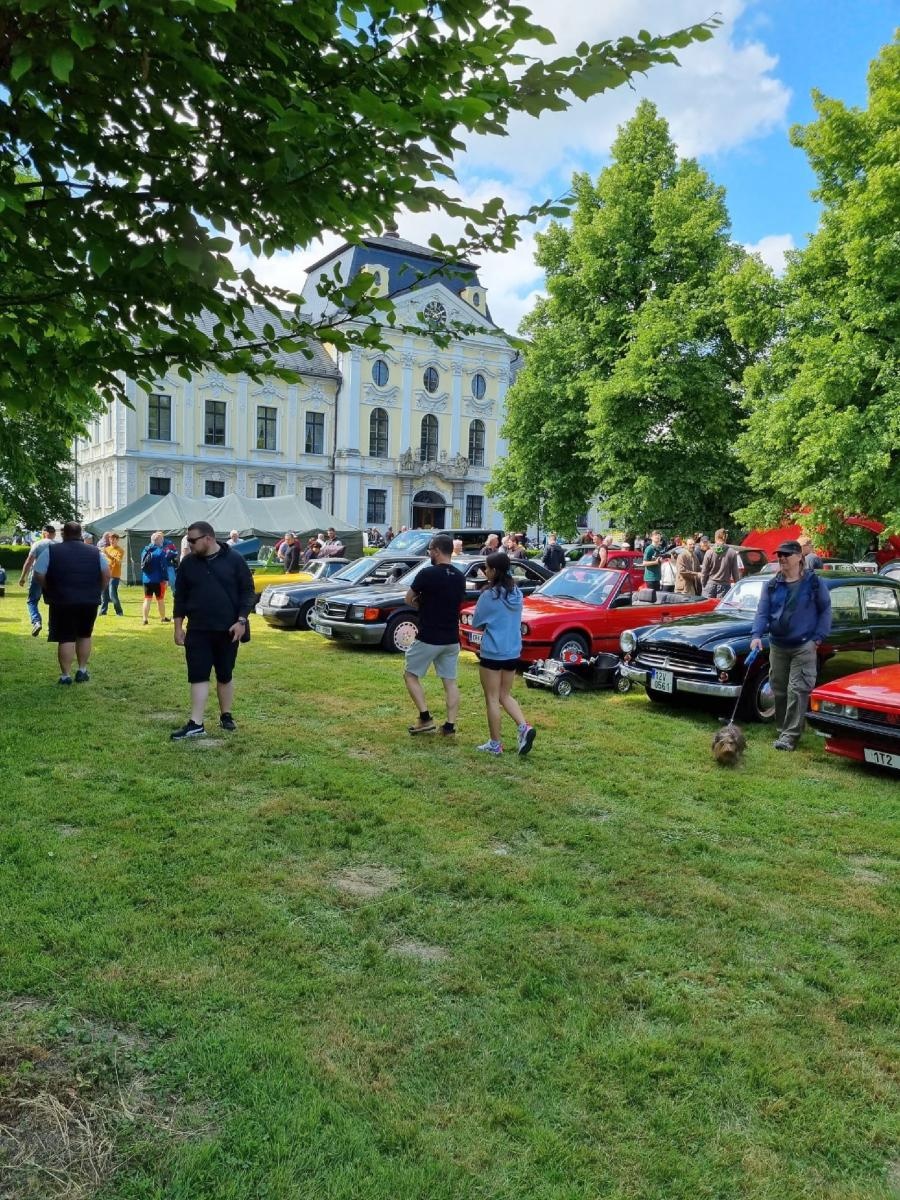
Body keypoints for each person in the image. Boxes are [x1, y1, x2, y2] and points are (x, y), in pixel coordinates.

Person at [170, 520, 256, 739]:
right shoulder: (188, 563)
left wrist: (241, 620)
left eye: (192, 540)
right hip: (198, 629)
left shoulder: (235, 560)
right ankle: (196, 723)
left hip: (228, 630)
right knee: (197, 675)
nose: (188, 544)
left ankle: (226, 715)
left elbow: (248, 592)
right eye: (187, 540)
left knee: (225, 674)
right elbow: (180, 597)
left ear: (208, 538)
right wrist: (178, 626)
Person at [750, 539, 832, 751]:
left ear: (799, 557)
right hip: (777, 645)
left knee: (798, 689)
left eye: (786, 554)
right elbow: (762, 612)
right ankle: (783, 728)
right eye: (779, 555)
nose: (782, 558)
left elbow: (825, 610)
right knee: (778, 689)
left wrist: (818, 638)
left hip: (804, 646)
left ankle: (790, 736)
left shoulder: (814, 582)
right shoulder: (771, 584)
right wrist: (757, 635)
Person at [470, 551, 536, 756]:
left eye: (487, 568)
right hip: (512, 650)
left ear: (495, 571)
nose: (485, 571)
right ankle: (524, 727)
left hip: (492, 652)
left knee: (491, 698)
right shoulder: (516, 593)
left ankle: (495, 743)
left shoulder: (488, 595)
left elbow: (477, 622)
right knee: (504, 695)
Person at [403, 534, 465, 736]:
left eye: (430, 549)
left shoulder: (427, 574)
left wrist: (421, 603)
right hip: (451, 638)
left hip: (429, 636)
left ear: (437, 550)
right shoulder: (460, 576)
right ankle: (449, 726)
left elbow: (408, 599)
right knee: (450, 681)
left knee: (410, 675)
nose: (429, 552)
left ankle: (425, 718)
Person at [32, 521, 109, 684]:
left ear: (63, 534)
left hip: (61, 601)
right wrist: (98, 590)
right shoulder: (96, 552)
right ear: (81, 534)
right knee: (85, 634)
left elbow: (38, 573)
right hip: (89, 601)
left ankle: (66, 675)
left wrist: (49, 587)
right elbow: (106, 574)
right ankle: (82, 670)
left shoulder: (51, 551)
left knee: (66, 637)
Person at [18, 523, 56, 636]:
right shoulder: (58, 545)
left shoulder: (37, 544)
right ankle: (52, 628)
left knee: (32, 601)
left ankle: (36, 622)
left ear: (44, 533)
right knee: (53, 603)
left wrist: (22, 577)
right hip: (53, 577)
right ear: (53, 534)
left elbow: (29, 561)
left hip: (37, 575)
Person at [141, 531, 173, 624]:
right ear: (158, 541)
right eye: (162, 540)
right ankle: (163, 618)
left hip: (146, 579)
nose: (163, 542)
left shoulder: (144, 550)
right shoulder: (160, 552)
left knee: (147, 599)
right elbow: (164, 567)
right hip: (158, 580)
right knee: (160, 599)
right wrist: (166, 579)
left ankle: (145, 619)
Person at [700, 528, 740, 598]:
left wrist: (703, 585)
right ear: (725, 538)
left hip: (710, 586)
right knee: (721, 608)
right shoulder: (732, 552)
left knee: (708, 608)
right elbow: (735, 572)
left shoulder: (709, 552)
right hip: (725, 586)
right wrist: (737, 587)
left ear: (715, 538)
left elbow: (704, 571)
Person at [99, 532, 125, 615]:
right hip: (105, 574)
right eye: (110, 539)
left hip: (114, 575)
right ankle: (103, 611)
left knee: (112, 594)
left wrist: (108, 555)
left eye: (113, 539)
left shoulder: (120, 550)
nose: (112, 541)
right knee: (104, 594)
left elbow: (118, 562)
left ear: (117, 540)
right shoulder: (106, 549)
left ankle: (119, 611)